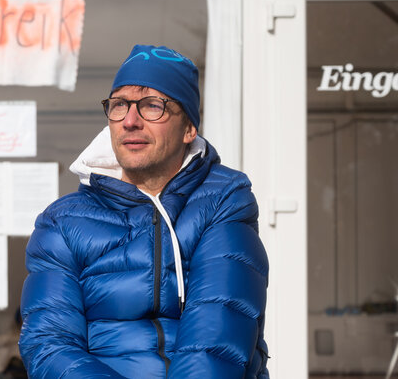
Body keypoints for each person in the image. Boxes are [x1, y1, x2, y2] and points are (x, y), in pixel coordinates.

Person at [19, 44, 270, 378]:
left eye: (153, 106)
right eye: (119, 105)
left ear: (189, 129)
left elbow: (217, 335)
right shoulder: (62, 223)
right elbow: (50, 345)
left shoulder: (224, 200)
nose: (131, 121)